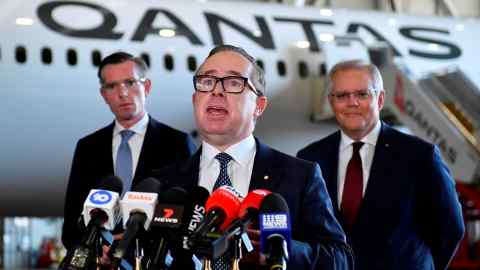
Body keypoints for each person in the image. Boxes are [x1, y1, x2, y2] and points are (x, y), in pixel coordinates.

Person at [153, 45, 352, 270]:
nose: (216, 91)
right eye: (207, 82)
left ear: (259, 105)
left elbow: (340, 259)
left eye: (234, 83)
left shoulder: (299, 176)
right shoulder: (165, 184)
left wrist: (279, 249)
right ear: (194, 99)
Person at [297, 60, 465, 270]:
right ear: (331, 102)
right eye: (342, 95)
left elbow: (450, 228)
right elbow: (307, 232)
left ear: (380, 99)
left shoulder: (420, 156)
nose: (352, 102)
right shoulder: (310, 157)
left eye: (362, 94)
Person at [62, 52, 196, 253]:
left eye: (130, 82)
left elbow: (190, 217)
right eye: (112, 86)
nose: (122, 93)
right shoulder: (88, 147)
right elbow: (71, 224)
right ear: (104, 95)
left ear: (147, 87)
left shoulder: (176, 143)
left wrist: (134, 244)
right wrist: (97, 249)